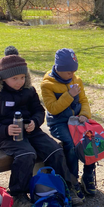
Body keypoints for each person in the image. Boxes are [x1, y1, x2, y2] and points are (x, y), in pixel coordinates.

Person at [0, 53, 78, 207]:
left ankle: (66, 187)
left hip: (31, 131)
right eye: (15, 78)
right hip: (5, 136)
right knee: (26, 154)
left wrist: (35, 122)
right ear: (3, 78)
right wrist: (6, 130)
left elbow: (39, 110)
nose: (19, 82)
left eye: (22, 77)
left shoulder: (28, 90)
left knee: (55, 150)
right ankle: (18, 195)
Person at [41, 48, 96, 198]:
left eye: (74, 71)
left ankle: (88, 175)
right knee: (71, 146)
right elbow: (53, 109)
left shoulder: (76, 80)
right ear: (59, 69)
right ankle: (73, 181)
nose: (72, 75)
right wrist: (69, 95)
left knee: (91, 139)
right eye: (68, 72)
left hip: (77, 119)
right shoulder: (47, 85)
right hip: (59, 122)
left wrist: (84, 114)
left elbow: (84, 101)